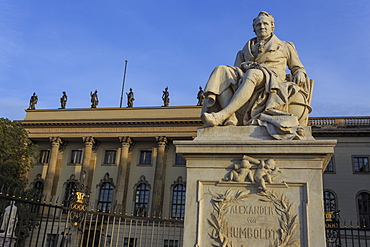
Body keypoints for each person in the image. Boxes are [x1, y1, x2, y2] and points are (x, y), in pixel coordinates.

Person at [201, 12, 309, 140]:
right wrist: (245, 66)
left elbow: (298, 68)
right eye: (258, 24)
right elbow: (236, 72)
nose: (262, 27)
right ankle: (231, 117)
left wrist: (300, 73)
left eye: (265, 24)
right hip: (247, 79)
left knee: (254, 73)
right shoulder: (244, 50)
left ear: (272, 27)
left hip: (272, 80)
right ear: (254, 29)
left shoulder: (285, 46)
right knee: (221, 71)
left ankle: (222, 115)